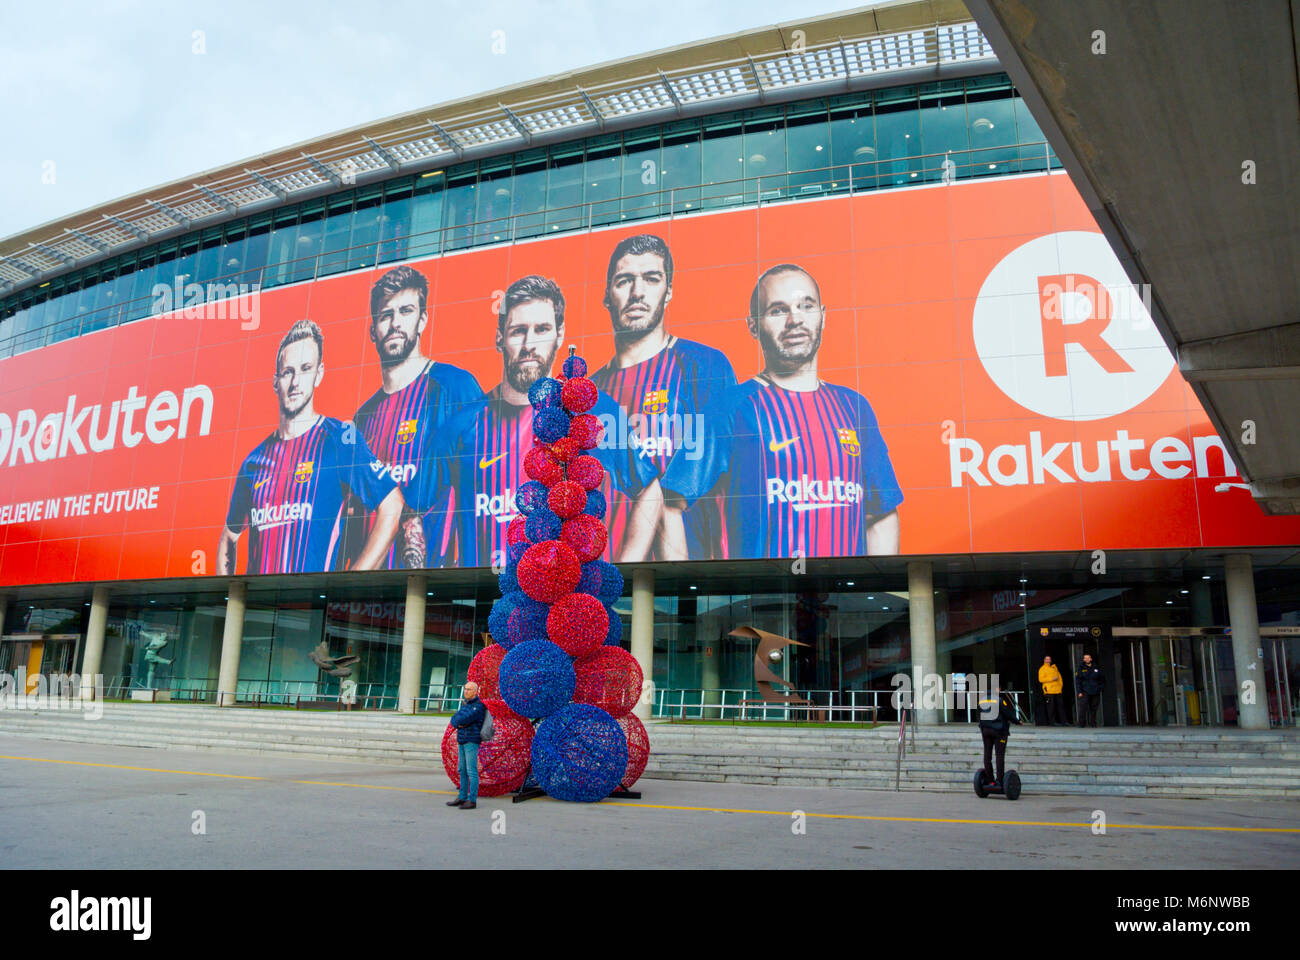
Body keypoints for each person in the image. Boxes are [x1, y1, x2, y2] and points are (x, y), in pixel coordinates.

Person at [663, 263, 903, 561]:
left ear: (823, 316)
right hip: (757, 599)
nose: (795, 320)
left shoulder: (855, 407)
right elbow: (670, 503)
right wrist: (684, 583)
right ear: (753, 325)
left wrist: (874, 589)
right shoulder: (728, 407)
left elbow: (881, 514)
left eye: (806, 306)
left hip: (845, 598)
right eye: (778, 310)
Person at [434, 275, 661, 566]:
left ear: (560, 333)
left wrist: (627, 567)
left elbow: (649, 487)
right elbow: (417, 509)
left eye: (541, 329)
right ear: (499, 337)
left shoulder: (591, 408)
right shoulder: (462, 424)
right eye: (518, 331)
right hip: (482, 597)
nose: (529, 344)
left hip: (568, 596)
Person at [592, 234, 737, 561]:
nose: (637, 292)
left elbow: (730, 465)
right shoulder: (591, 391)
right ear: (607, 296)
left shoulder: (705, 365)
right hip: (606, 582)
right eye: (624, 280)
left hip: (694, 577)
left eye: (651, 279)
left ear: (668, 291)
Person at [218, 319, 404, 574]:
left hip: (312, 605)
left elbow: (392, 506)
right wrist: (230, 594)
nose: (295, 382)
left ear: (319, 374)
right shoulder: (253, 462)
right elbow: (230, 534)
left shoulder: (339, 439)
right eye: (287, 372)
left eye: (305, 369)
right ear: (276, 382)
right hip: (257, 608)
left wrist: (351, 580)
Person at [347, 265, 483, 569]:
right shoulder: (363, 417)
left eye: (406, 311)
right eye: (386, 315)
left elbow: (481, 477)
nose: (395, 323)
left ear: (422, 320)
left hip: (442, 582)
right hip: (368, 590)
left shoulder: (455, 386)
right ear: (373, 330)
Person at [446, 681, 487, 809]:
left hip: (471, 741)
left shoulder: (479, 706)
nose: (466, 691)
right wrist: (459, 722)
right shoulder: (465, 704)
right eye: (465, 689)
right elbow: (454, 719)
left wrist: (460, 722)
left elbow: (463, 719)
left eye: (469, 689)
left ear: (476, 691)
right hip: (462, 740)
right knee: (462, 770)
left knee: (471, 771)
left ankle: (472, 800)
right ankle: (462, 797)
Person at [977, 688, 1020, 789]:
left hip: (986, 730)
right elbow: (1007, 714)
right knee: (999, 755)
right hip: (999, 730)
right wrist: (1017, 721)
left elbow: (979, 714)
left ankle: (990, 780)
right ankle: (1000, 780)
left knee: (987, 755)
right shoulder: (999, 700)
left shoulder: (981, 701)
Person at [1076, 653, 1104, 727]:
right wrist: (1079, 691)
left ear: (1091, 659)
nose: (1086, 659)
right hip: (1085, 691)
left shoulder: (1096, 667)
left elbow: (1102, 679)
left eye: (1088, 658)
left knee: (1094, 708)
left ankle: (1093, 723)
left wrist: (1099, 688)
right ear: (1084, 659)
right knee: (1083, 708)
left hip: (1095, 691)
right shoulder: (1081, 668)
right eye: (1085, 658)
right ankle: (1081, 724)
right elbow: (1078, 681)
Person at [1038, 655, 1066, 725]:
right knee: (1051, 707)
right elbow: (1041, 679)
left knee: (1060, 706)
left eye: (1049, 659)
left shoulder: (1054, 668)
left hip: (1057, 690)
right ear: (1044, 660)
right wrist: (1052, 679)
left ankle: (1064, 721)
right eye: (1046, 659)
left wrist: (1060, 686)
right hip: (1049, 690)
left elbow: (1059, 678)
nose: (1048, 660)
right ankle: (1052, 722)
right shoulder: (1042, 669)